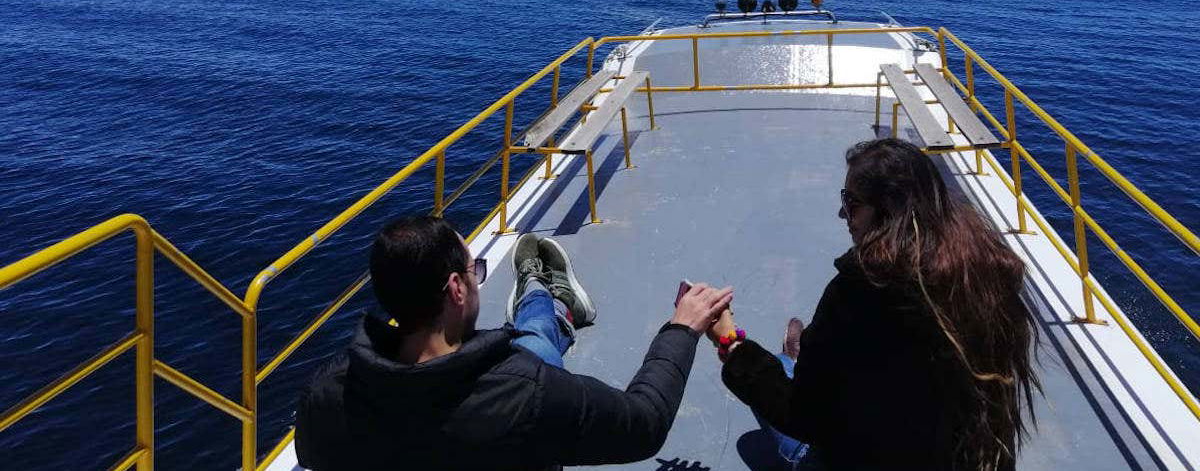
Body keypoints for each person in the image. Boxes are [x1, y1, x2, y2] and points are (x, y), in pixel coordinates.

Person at [295, 215, 733, 471]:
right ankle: (544, 296)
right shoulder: (524, 390)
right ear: (456, 289)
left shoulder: (328, 392)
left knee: (532, 341)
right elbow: (644, 425)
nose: (477, 278)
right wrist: (682, 329)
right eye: (476, 270)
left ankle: (543, 295)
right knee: (535, 343)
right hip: (524, 379)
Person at [709, 138, 1040, 471]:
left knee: (770, 375)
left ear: (888, 212)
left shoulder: (858, 294)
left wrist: (731, 343)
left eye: (852, 203)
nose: (842, 213)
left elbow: (802, 417)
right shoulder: (989, 276)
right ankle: (811, 358)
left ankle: (804, 358)